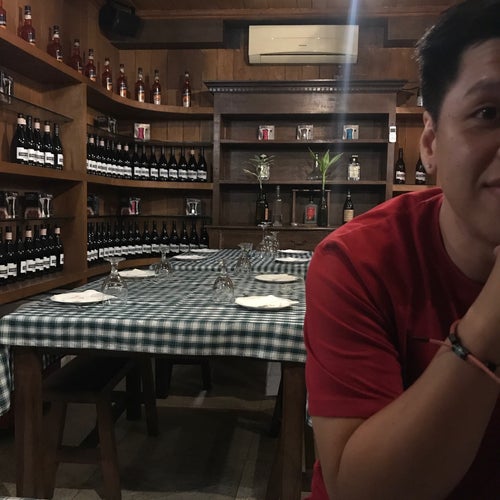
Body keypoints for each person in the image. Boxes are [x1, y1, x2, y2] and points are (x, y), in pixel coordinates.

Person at [304, 1, 500, 498]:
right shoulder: (357, 262)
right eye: (489, 113)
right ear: (430, 143)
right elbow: (357, 489)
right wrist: (490, 319)